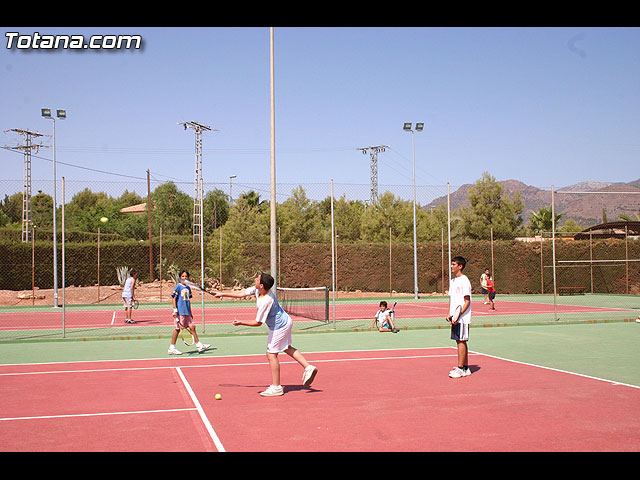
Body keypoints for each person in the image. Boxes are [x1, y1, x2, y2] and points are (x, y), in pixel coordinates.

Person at [216, 273, 318, 397]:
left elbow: (258, 322)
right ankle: (308, 367)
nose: (255, 279)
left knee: (271, 354)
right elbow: (242, 293)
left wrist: (241, 322)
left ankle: (276, 387)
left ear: (262, 285)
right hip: (286, 321)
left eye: (257, 279)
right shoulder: (258, 290)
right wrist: (222, 294)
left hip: (279, 326)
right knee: (286, 347)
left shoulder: (266, 301)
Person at [168, 270, 210, 355]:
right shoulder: (178, 286)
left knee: (192, 327)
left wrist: (190, 312)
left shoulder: (188, 288)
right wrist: (175, 310)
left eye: (186, 276)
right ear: (180, 277)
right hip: (180, 312)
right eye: (183, 276)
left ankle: (199, 345)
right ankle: (172, 348)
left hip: (187, 312)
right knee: (177, 329)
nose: (184, 278)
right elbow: (174, 298)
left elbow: (188, 301)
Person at [447, 256, 472, 378]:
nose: (451, 266)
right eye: (451, 264)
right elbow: (453, 300)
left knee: (461, 341)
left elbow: (467, 301)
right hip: (455, 317)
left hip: (462, 318)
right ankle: (465, 368)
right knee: (459, 340)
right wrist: (449, 313)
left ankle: (461, 368)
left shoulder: (464, 280)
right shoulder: (453, 281)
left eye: (453, 264)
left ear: (460, 266)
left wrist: (459, 314)